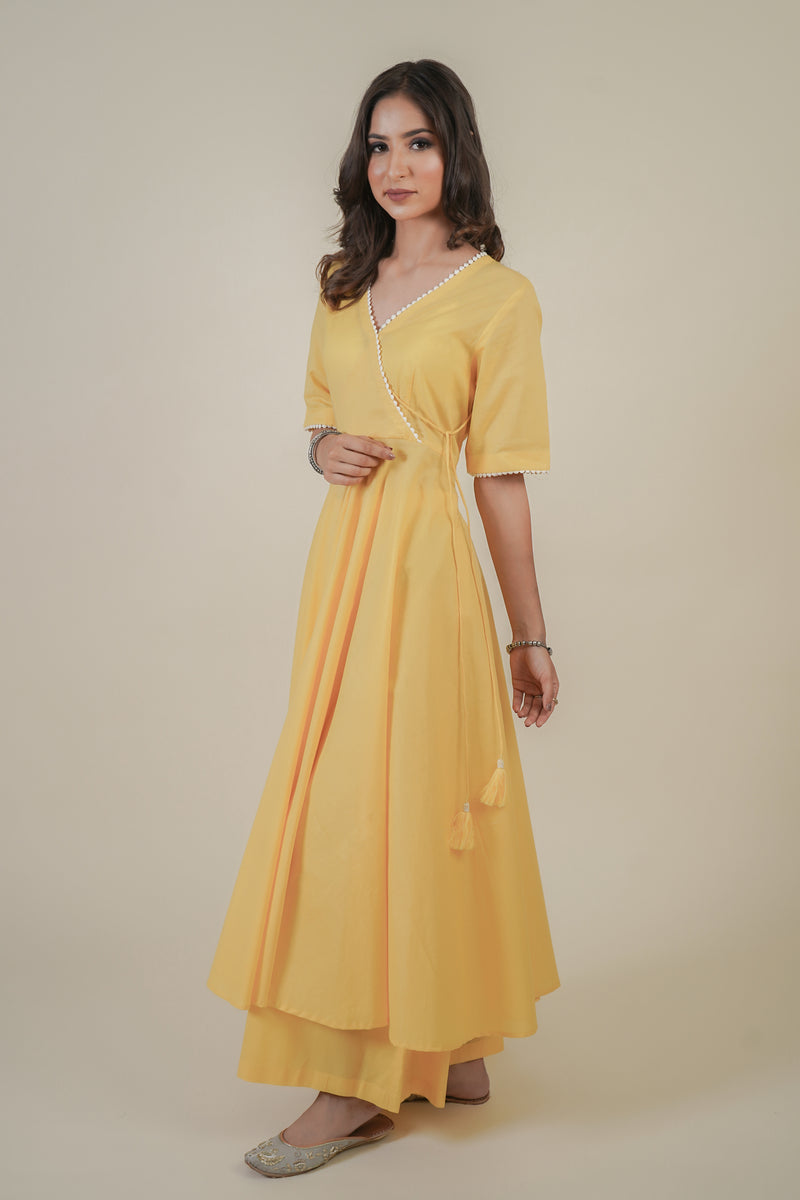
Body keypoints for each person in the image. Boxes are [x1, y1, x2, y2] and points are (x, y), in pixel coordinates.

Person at [207, 58, 561, 1178]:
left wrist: (528, 634)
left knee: (399, 803)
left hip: (424, 576)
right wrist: (321, 448)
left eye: (418, 142)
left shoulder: (498, 297)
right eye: (378, 144)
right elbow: (320, 413)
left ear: (457, 152)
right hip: (343, 574)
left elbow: (500, 475)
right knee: (351, 796)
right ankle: (451, 1042)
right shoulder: (340, 282)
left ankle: (357, 1084)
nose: (395, 166)